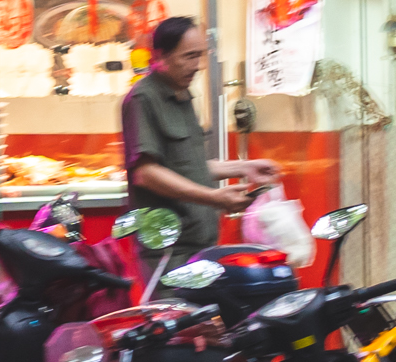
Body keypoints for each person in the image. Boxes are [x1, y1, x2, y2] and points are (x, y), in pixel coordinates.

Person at [120, 18, 282, 252]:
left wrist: (244, 167)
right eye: (189, 56)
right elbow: (146, 174)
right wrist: (214, 197)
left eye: (200, 55)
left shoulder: (183, 94)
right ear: (160, 56)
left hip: (199, 239)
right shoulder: (143, 99)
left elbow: (190, 166)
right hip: (167, 248)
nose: (198, 65)